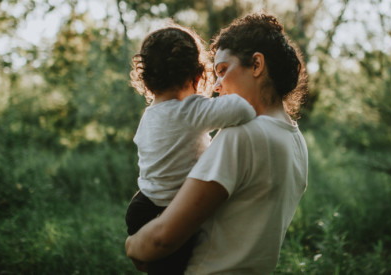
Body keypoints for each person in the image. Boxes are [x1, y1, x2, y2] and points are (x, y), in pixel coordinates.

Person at [125, 13, 309, 274]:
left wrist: (131, 244)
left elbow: (160, 239)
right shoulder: (295, 139)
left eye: (222, 71)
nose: (217, 87)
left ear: (256, 65)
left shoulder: (241, 136)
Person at [125, 24, 257, 274]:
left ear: (147, 80)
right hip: (169, 212)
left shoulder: (151, 114)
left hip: (141, 206)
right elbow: (243, 109)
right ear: (198, 76)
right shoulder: (190, 110)